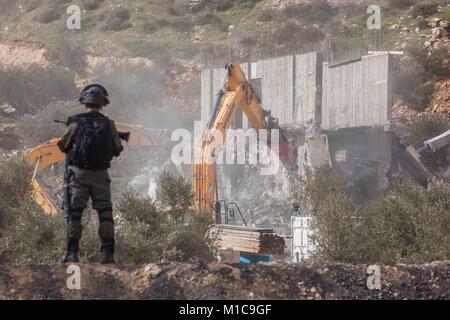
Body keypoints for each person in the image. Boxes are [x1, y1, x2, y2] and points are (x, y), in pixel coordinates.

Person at [58, 84, 123, 264]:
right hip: (101, 175)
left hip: (78, 175)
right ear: (103, 103)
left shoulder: (76, 122)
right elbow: (118, 149)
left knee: (75, 213)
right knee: (105, 213)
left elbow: (63, 146)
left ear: (84, 101)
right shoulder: (109, 124)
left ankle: (72, 253)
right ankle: (108, 254)